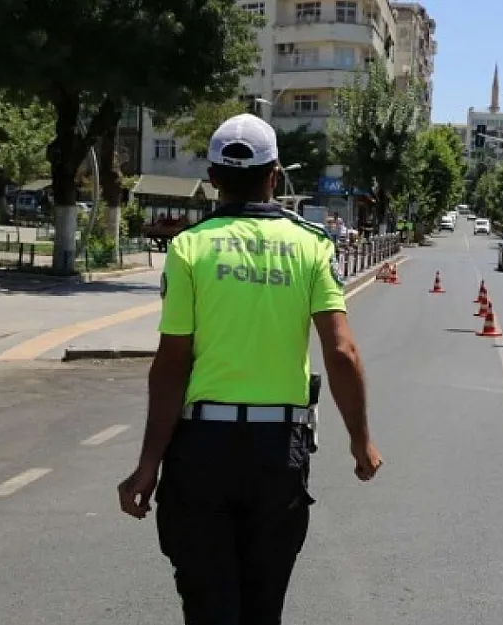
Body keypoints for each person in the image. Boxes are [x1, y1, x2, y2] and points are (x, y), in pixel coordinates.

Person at [117, 113, 383, 624]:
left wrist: (149, 464)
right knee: (263, 607)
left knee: (208, 606)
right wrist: (360, 440)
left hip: (199, 455)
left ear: (213, 177)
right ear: (275, 174)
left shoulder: (189, 247)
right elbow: (342, 351)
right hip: (277, 454)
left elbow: (172, 364)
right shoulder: (311, 245)